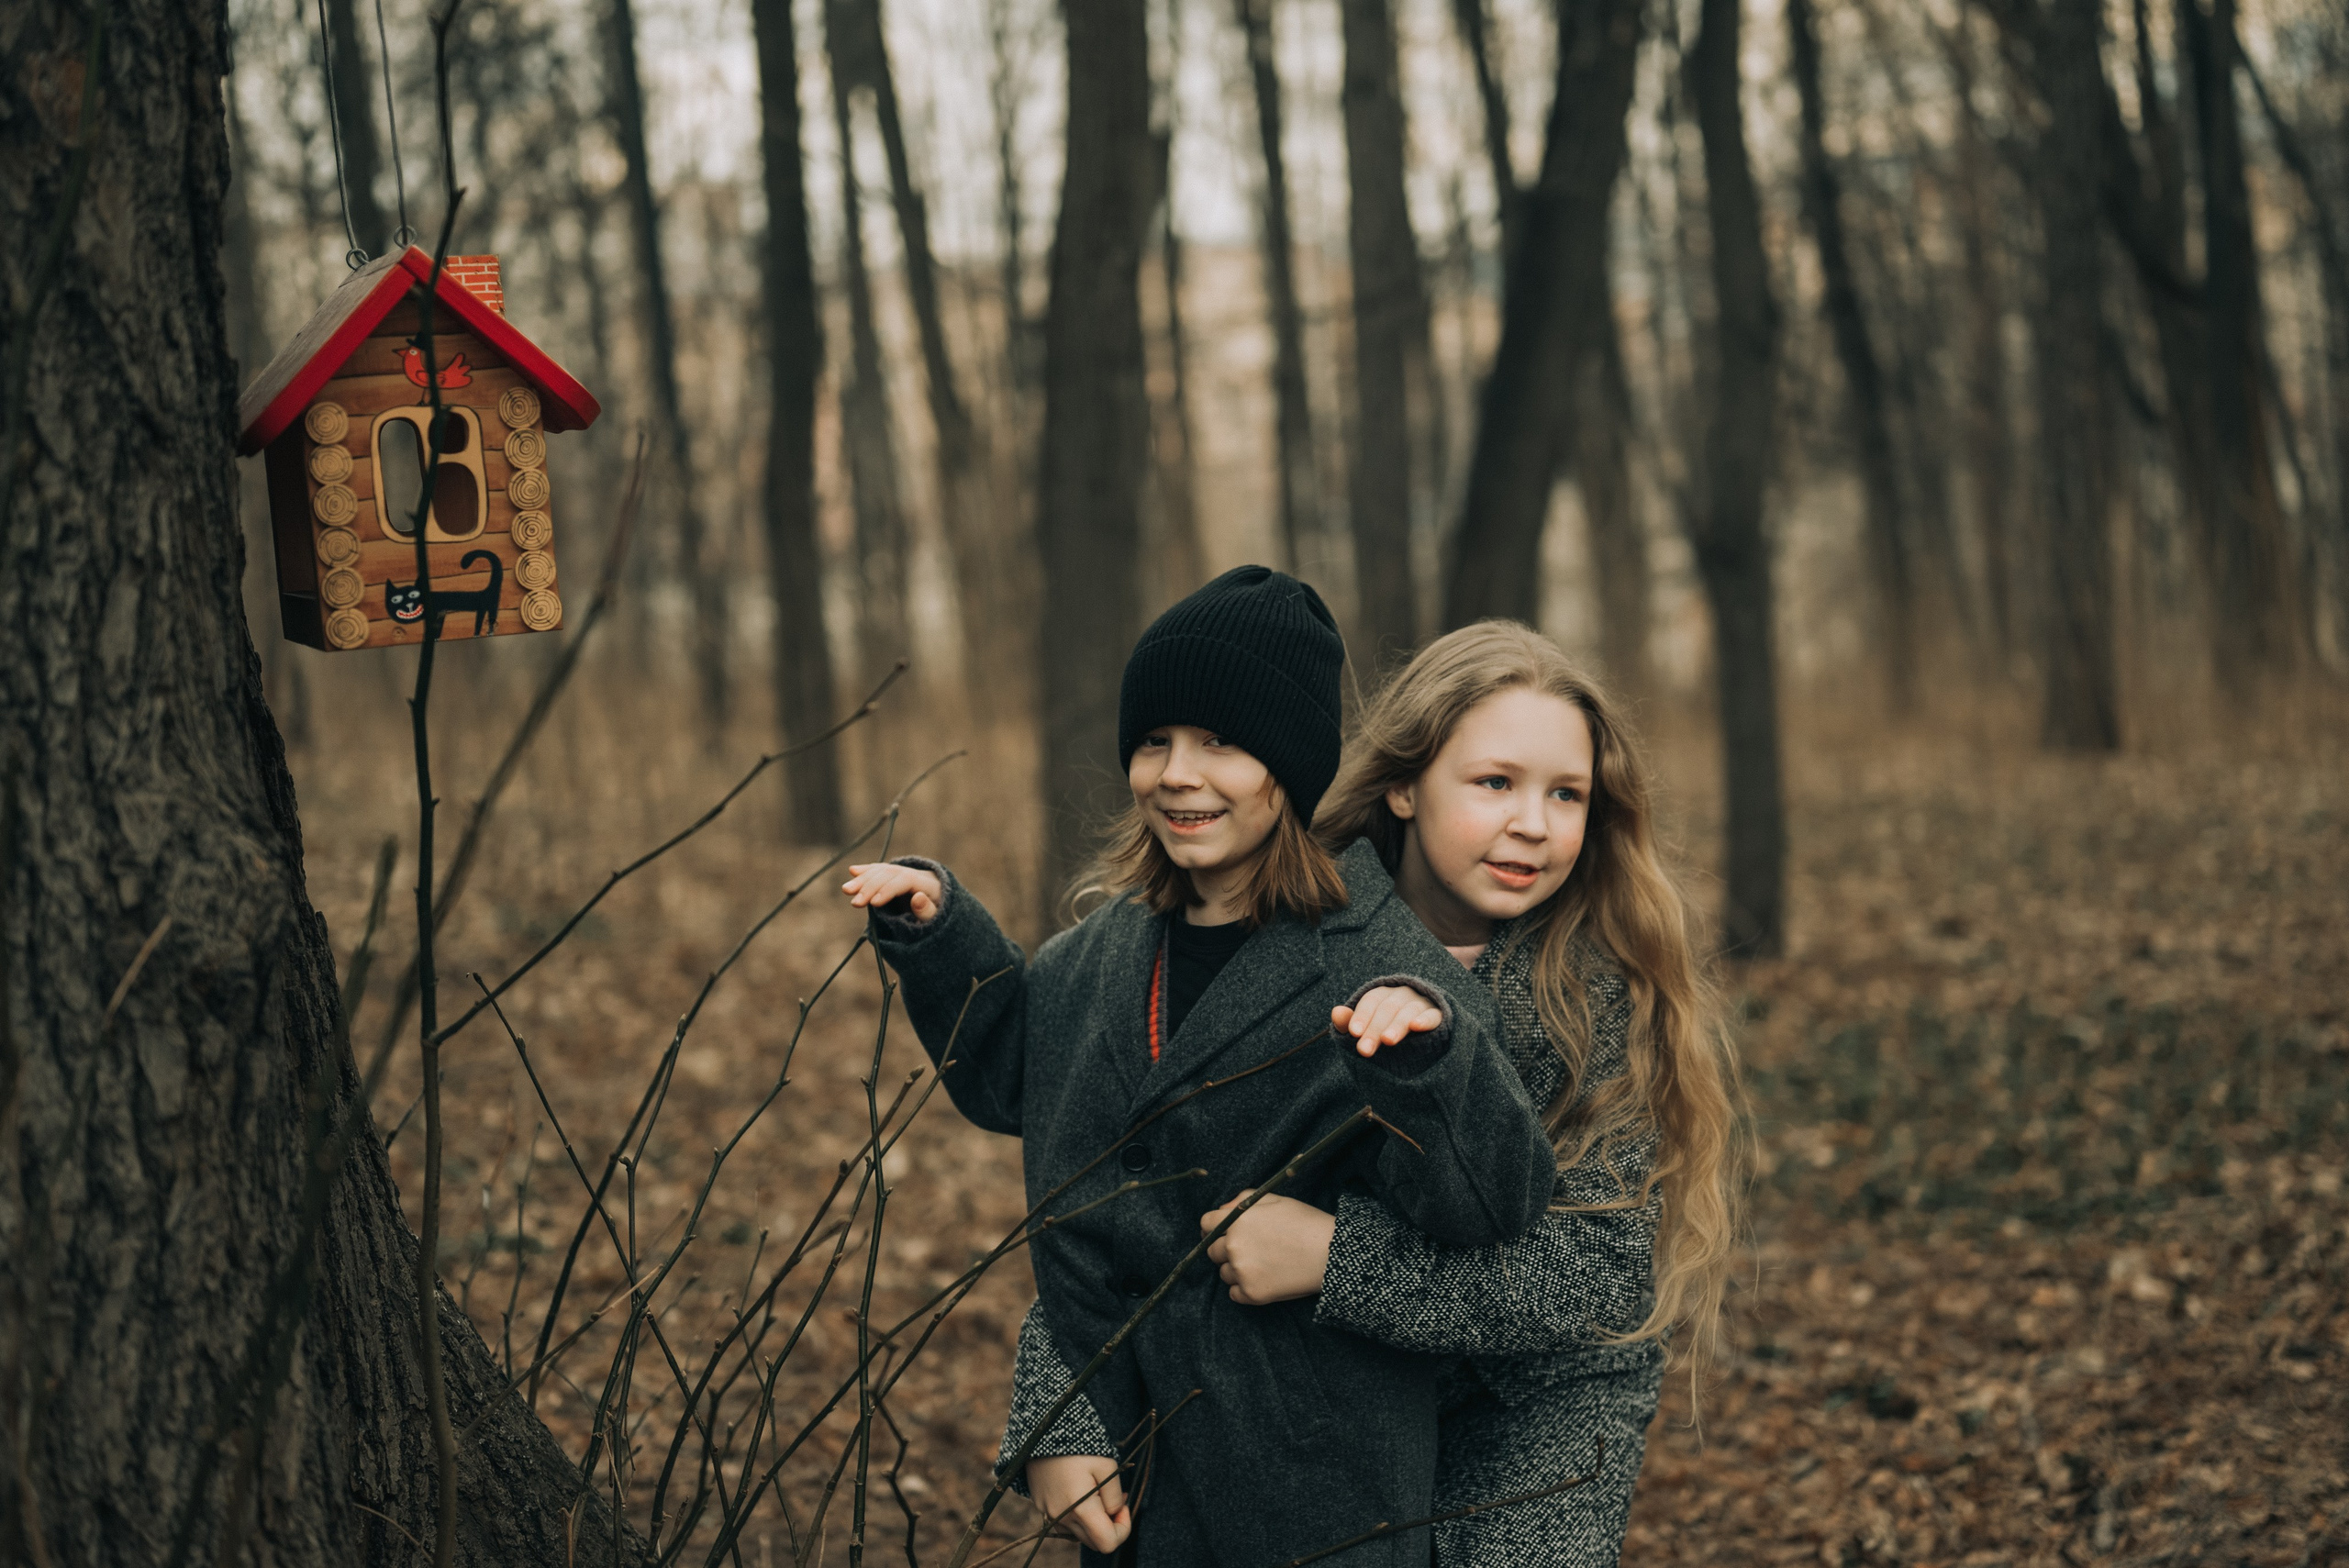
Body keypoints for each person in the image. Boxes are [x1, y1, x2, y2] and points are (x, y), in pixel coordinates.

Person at [839, 568, 1557, 1567]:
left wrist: (1430, 1058)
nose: (1178, 771)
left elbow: (1488, 1201)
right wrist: (940, 933)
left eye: (1222, 742)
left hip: (1317, 1485)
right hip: (1133, 1473)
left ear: (1292, 765)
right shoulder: (1099, 954)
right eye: (1154, 740)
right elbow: (1012, 1077)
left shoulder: (1379, 963)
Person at [1195, 621, 1743, 1565]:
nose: (1533, 822)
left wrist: (1337, 1255)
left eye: (1565, 793)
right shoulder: (1284, 942)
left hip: (1540, 1411)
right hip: (1313, 1397)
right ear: (1404, 784)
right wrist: (1063, 1406)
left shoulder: (1596, 989)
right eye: (1495, 782)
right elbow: (1130, 1181)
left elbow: (1600, 1277)